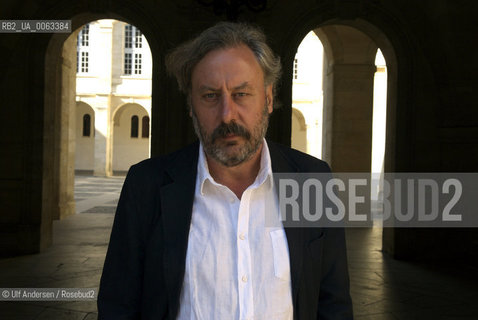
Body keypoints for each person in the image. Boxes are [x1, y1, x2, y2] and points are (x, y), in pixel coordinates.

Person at [97, 21, 353, 320]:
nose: (227, 114)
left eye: (242, 93)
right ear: (191, 105)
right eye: (210, 96)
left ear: (268, 98)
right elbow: (118, 305)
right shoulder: (147, 185)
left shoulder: (314, 181)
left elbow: (333, 304)